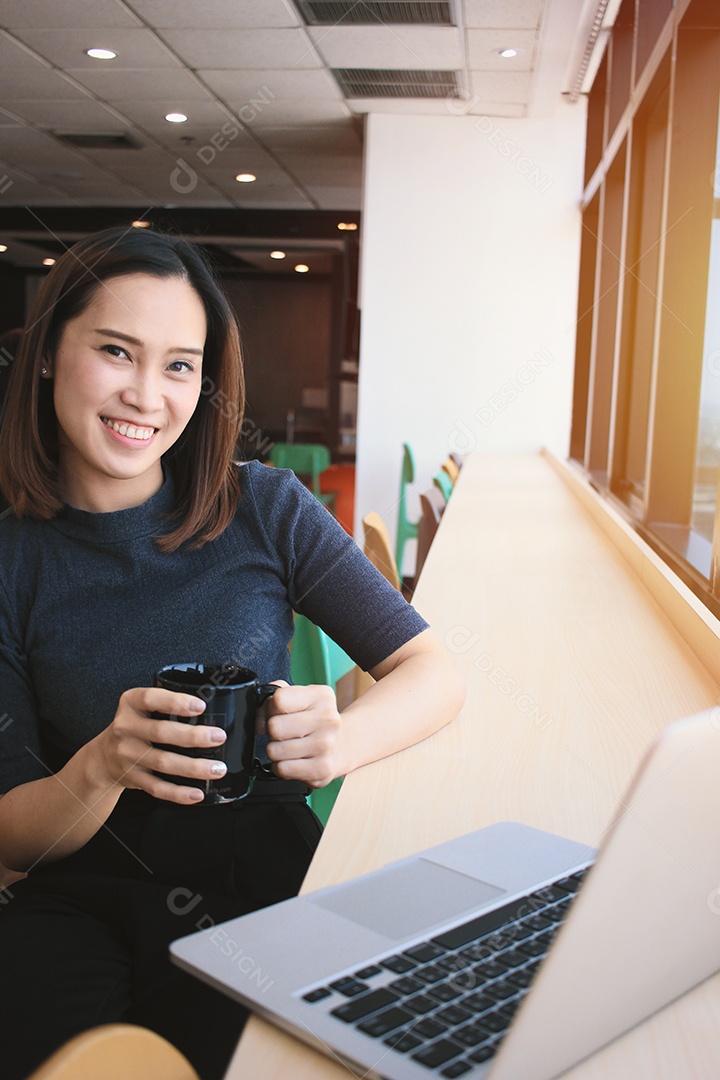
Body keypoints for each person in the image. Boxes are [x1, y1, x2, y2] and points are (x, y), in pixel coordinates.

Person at [0, 227, 464, 1080]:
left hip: (256, 870)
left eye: (180, 365)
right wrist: (99, 766)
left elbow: (430, 671)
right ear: (45, 353)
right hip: (78, 887)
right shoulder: (12, 558)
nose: (147, 395)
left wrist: (343, 741)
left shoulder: (263, 507)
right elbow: (15, 838)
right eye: (115, 351)